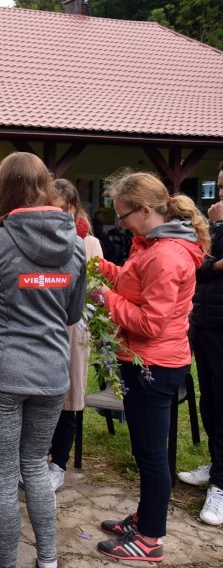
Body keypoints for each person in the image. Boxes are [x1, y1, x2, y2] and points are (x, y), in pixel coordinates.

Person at [0, 153, 86, 568]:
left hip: (1, 377)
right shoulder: (77, 246)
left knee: (3, 476)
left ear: (3, 190)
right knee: (36, 466)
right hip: (51, 374)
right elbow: (72, 314)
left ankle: (6, 563)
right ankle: (48, 561)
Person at [95, 172, 209, 562]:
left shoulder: (166, 255)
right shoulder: (150, 244)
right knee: (146, 449)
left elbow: (148, 322)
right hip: (145, 360)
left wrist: (103, 298)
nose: (119, 222)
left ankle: (150, 539)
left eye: (123, 215)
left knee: (151, 454)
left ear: (145, 211)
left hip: (155, 363)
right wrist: (99, 267)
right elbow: (131, 285)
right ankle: (146, 517)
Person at [46, 179, 103, 491]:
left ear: (74, 210)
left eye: (65, 211)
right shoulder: (41, 239)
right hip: (46, 324)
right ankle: (37, 454)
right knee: (42, 392)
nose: (60, 217)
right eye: (54, 210)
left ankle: (59, 462)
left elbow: (96, 288)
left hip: (73, 327)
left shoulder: (88, 243)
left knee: (69, 393)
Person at [179, 162, 223, 526]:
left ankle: (222, 486)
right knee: (210, 401)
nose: (219, 198)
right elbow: (202, 261)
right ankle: (216, 466)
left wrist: (217, 227)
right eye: (219, 188)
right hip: (205, 322)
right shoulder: (216, 224)